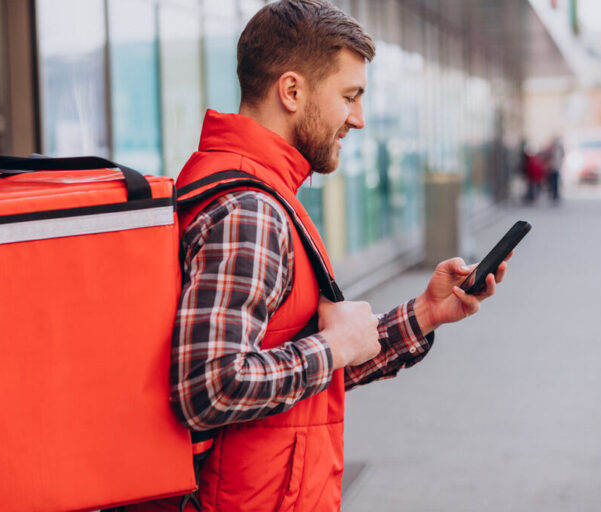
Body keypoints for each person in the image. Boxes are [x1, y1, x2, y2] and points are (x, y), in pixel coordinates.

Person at [124, 1, 508, 510]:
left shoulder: (254, 189)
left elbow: (298, 372)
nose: (359, 118)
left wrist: (425, 313)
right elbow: (210, 388)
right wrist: (331, 346)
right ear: (291, 91)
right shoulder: (251, 210)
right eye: (349, 96)